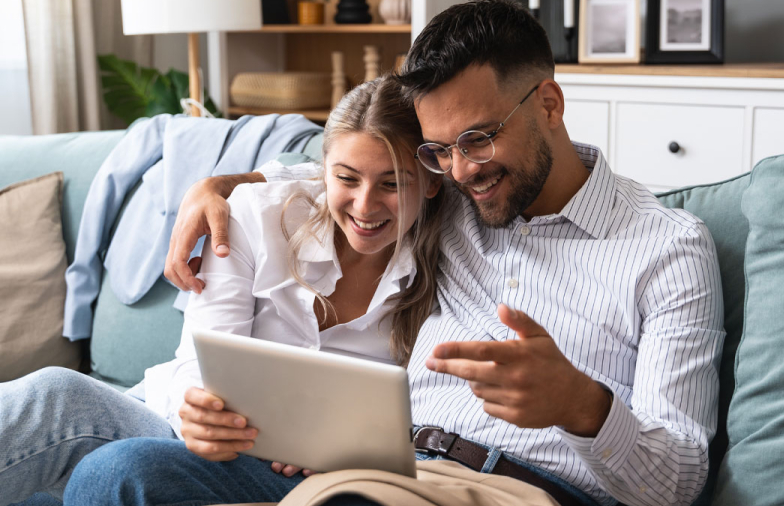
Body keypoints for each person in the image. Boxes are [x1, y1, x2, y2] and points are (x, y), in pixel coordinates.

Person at [64, 2, 725, 506]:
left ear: (548, 103)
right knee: (116, 474)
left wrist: (583, 405)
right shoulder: (453, 198)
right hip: (377, 468)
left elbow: (681, 479)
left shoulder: (666, 249)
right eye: (439, 152)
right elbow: (353, 176)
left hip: (518, 489)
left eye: (477, 138)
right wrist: (221, 185)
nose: (461, 170)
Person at [0, 75, 443, 506]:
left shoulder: (456, 258)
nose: (365, 205)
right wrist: (194, 411)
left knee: (83, 440)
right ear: (323, 173)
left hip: (311, 474)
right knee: (53, 401)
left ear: (431, 182)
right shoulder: (256, 215)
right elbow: (199, 361)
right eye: (347, 179)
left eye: (393, 184)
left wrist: (345, 446)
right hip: (187, 435)